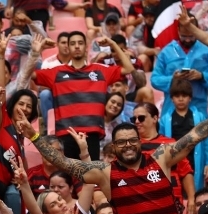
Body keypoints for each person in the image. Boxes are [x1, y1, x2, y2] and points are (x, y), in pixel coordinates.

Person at [16, 89, 208, 214]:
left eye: (132, 140)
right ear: (115, 146)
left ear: (139, 141)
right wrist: (34, 136)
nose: (128, 145)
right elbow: (64, 163)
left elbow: (196, 134)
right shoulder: (106, 172)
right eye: (121, 142)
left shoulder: (161, 157)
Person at [33, 31, 133, 160]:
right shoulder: (57, 72)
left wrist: (113, 44)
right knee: (70, 178)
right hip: (66, 134)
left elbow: (129, 68)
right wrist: (35, 52)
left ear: (86, 47)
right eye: (73, 43)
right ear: (67, 48)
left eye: (80, 43)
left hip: (92, 133)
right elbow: (30, 75)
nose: (76, 46)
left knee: (92, 177)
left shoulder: (100, 70)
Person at [149, 18, 208, 118]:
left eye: (191, 36)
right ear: (178, 30)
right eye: (184, 36)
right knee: (168, 133)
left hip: (198, 110)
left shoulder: (207, 51)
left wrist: (201, 76)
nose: (188, 40)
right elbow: (155, 79)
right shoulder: (166, 51)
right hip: (171, 111)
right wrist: (173, 79)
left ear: (197, 30)